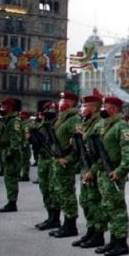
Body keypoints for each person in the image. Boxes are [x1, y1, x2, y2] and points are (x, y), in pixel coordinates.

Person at [91, 96, 129, 256]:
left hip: (115, 172)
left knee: (117, 208)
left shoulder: (122, 127)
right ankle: (113, 240)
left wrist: (121, 170)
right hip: (103, 172)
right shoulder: (104, 125)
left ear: (114, 109)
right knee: (108, 207)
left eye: (106, 106)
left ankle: (121, 243)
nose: (103, 109)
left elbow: (128, 153)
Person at [73, 93, 107, 249]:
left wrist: (92, 170)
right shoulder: (85, 123)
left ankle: (98, 234)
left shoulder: (99, 124)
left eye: (86, 106)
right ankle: (90, 230)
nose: (83, 108)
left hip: (94, 170)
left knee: (95, 203)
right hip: (84, 168)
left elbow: (101, 153)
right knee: (86, 201)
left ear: (94, 108)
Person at [49, 92, 83, 238]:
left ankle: (70, 225)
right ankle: (63, 223)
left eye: (65, 100)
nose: (61, 102)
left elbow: (78, 143)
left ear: (72, 103)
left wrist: (69, 159)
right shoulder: (62, 117)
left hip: (66, 163)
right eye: (61, 99)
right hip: (58, 161)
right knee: (60, 193)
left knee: (67, 193)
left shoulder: (74, 119)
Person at [34, 102, 61, 230]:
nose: (49, 113)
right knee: (44, 189)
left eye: (51, 110)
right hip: (43, 160)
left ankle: (55, 218)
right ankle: (50, 216)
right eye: (47, 110)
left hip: (53, 161)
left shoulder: (57, 125)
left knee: (53, 190)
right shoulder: (42, 125)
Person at [0, 98, 24, 213]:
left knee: (11, 178)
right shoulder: (6, 120)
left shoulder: (14, 121)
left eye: (4, 107)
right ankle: (10, 201)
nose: (2, 109)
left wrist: (10, 152)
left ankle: (12, 203)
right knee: (8, 178)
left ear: (10, 107)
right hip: (6, 151)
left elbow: (16, 140)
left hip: (12, 154)